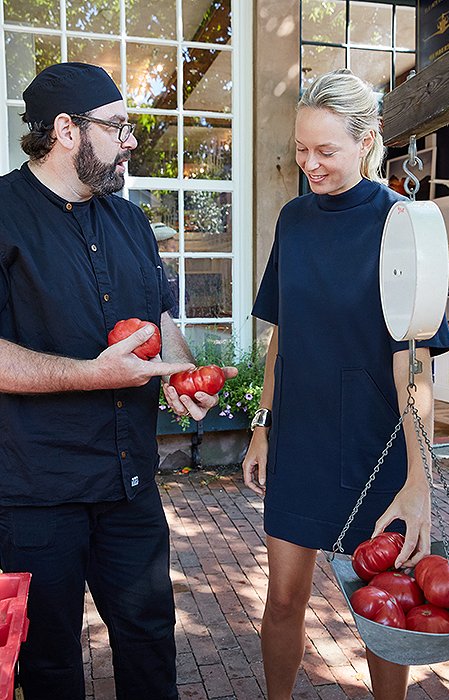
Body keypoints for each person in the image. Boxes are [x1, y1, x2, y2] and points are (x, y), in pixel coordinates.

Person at [0, 62, 235, 700]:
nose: (131, 141)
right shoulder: (2, 214)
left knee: (151, 641)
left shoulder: (130, 223)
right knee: (47, 662)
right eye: (118, 128)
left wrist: (182, 377)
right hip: (35, 494)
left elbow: (162, 319)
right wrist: (92, 375)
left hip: (129, 483)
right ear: (66, 130)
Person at [242, 69, 449, 700]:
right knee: (282, 600)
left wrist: (419, 482)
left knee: (383, 613)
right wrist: (262, 426)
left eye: (325, 151)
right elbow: (283, 332)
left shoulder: (404, 225)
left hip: (374, 446)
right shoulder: (294, 220)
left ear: (367, 140)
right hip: (301, 441)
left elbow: (413, 366)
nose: (310, 164)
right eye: (301, 149)